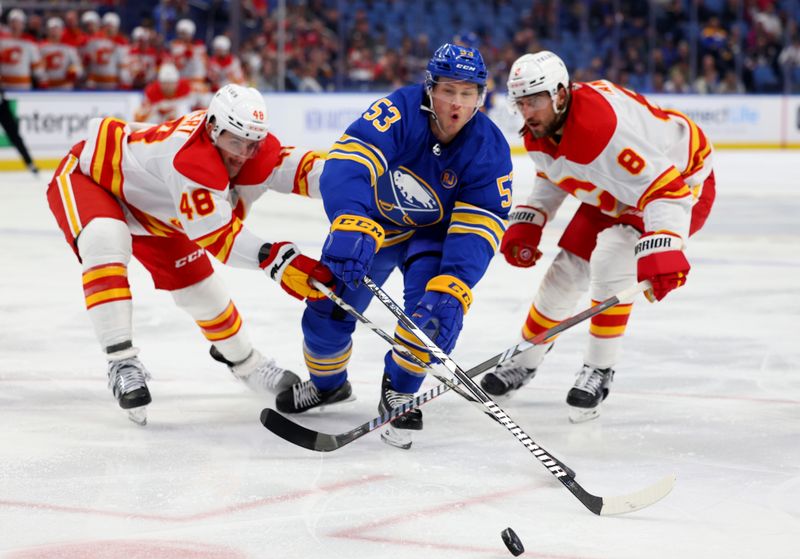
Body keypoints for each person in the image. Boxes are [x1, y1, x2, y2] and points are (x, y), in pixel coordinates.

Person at [45, 84, 331, 425]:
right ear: (212, 129)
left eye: (250, 144)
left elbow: (307, 170)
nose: (241, 155)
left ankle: (248, 364)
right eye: (233, 141)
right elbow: (220, 237)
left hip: (160, 211)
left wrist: (364, 182)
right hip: (93, 179)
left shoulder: (251, 151)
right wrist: (277, 259)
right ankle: (122, 362)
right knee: (106, 239)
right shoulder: (188, 160)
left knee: (201, 292)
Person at [275, 43, 513, 449]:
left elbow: (478, 227)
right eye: (448, 90)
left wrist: (455, 284)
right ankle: (328, 385)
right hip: (377, 227)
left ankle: (400, 389)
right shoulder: (398, 111)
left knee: (431, 318)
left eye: (468, 93)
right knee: (325, 311)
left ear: (482, 96)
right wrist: (350, 218)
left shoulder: (489, 149)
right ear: (429, 88)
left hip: (434, 237)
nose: (457, 104)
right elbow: (346, 163)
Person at [480, 51, 715, 423]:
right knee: (564, 273)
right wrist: (532, 219)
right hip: (623, 188)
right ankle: (524, 361)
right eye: (521, 103)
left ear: (559, 94)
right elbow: (557, 172)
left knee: (610, 260)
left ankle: (599, 370)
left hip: (683, 182)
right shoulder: (544, 127)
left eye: (535, 101)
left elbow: (665, 189)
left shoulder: (600, 131)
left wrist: (665, 244)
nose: (528, 112)